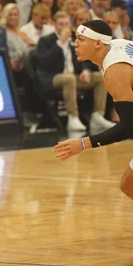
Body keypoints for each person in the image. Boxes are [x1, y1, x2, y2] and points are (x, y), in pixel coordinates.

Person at [54, 20, 133, 200]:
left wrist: (83, 144)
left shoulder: (115, 71)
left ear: (97, 43)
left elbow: (128, 127)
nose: (75, 43)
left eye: (81, 39)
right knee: (129, 184)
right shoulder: (116, 46)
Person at [37, 14, 113, 133]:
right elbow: (43, 62)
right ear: (54, 25)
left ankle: (98, 116)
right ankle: (73, 117)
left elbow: (82, 59)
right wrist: (60, 44)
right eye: (60, 24)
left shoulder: (73, 40)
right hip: (52, 78)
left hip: (72, 77)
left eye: (66, 24)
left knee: (100, 77)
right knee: (69, 78)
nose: (64, 27)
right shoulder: (46, 40)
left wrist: (85, 70)